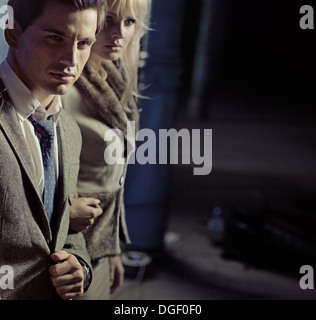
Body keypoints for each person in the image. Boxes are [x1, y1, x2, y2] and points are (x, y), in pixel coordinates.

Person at [0, 0, 107, 300]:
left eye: (84, 43)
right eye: (55, 38)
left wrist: (79, 267)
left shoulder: (69, 132)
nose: (71, 60)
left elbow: (60, 228)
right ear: (12, 33)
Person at [62, 0, 149, 300]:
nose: (119, 34)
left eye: (129, 22)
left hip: (100, 240)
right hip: (65, 246)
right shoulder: (63, 83)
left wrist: (113, 248)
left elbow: (113, 176)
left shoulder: (112, 73)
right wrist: (62, 214)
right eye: (109, 20)